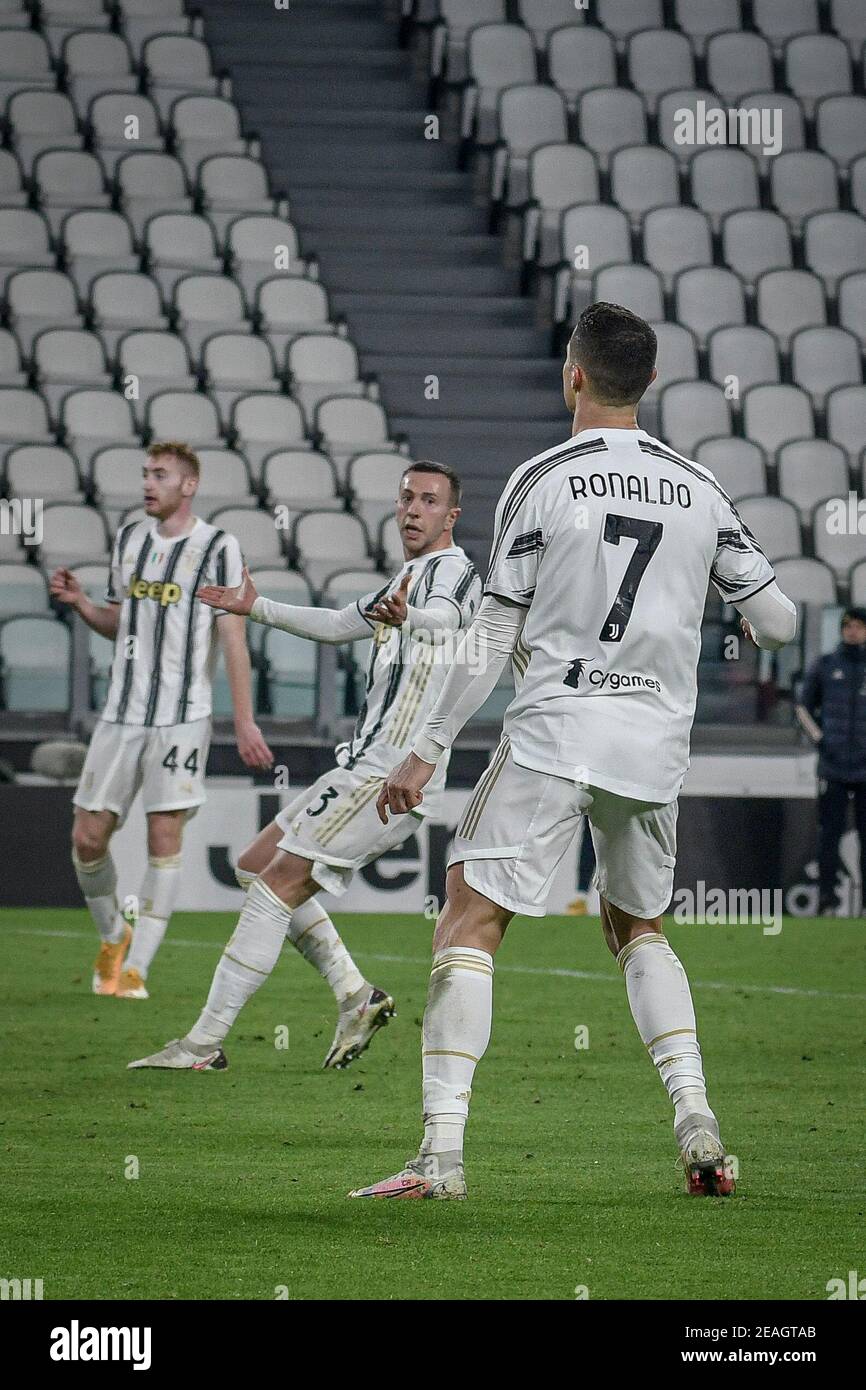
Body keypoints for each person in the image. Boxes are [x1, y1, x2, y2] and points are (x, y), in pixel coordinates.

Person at [350, 302, 797, 1200]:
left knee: (468, 919)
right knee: (638, 928)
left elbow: (489, 634)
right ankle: (696, 1115)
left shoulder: (543, 478)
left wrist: (426, 746)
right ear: (651, 382)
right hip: (654, 745)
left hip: (558, 728)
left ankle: (440, 1153)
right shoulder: (699, 485)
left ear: (575, 375)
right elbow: (779, 624)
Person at [128, 460, 481, 1072]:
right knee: (254, 866)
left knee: (274, 886)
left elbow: (448, 619)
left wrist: (411, 618)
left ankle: (202, 1043)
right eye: (406, 498)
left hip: (392, 775)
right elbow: (341, 623)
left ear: (451, 515)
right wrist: (256, 606)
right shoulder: (404, 576)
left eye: (428, 501)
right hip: (362, 764)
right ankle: (354, 994)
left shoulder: (452, 572)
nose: (413, 510)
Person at [50, 441, 273, 1000]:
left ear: (188, 485)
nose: (148, 484)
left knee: (163, 833)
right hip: (120, 716)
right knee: (88, 837)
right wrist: (82, 605)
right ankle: (112, 934)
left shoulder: (217, 547)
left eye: (160, 475)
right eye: (145, 474)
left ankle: (137, 969)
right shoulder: (129, 540)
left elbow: (233, 640)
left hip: (182, 718)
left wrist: (244, 722)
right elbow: (122, 622)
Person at [796, 606, 866, 916]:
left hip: (865, 770)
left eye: (859, 626)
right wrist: (822, 741)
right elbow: (802, 707)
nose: (853, 631)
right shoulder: (825, 665)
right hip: (833, 767)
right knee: (829, 837)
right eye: (848, 625)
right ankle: (826, 900)